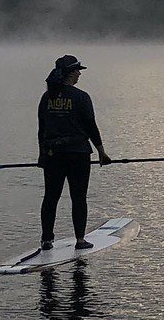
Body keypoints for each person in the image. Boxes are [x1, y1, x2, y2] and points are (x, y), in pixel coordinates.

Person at [38, 55, 112, 250]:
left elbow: (41, 129)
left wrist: (42, 156)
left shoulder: (47, 97)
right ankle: (80, 240)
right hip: (78, 155)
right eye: (78, 71)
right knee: (78, 197)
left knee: (50, 197)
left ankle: (46, 240)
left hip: (53, 155)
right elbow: (91, 127)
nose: (80, 74)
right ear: (70, 73)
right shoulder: (81, 97)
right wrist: (101, 152)